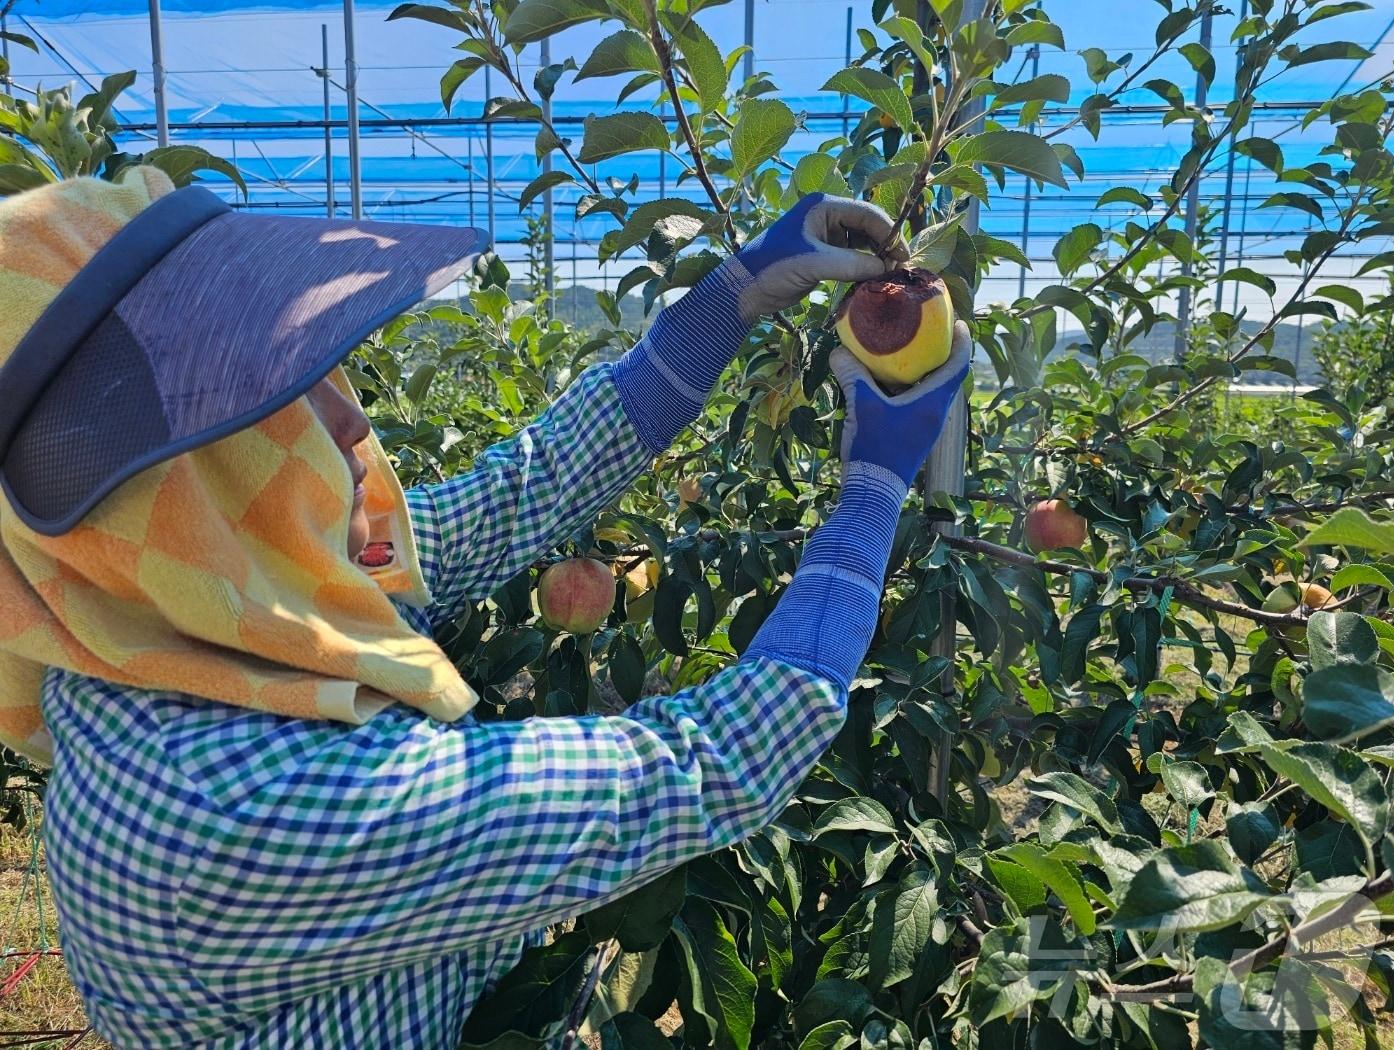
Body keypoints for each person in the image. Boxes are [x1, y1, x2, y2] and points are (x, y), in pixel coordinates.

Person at [0, 167, 971, 1048]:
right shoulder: (220, 805)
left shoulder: (195, 611)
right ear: (161, 479)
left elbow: (527, 487)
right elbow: (701, 765)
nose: (343, 415)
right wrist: (873, 484)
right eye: (267, 390)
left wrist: (733, 292)